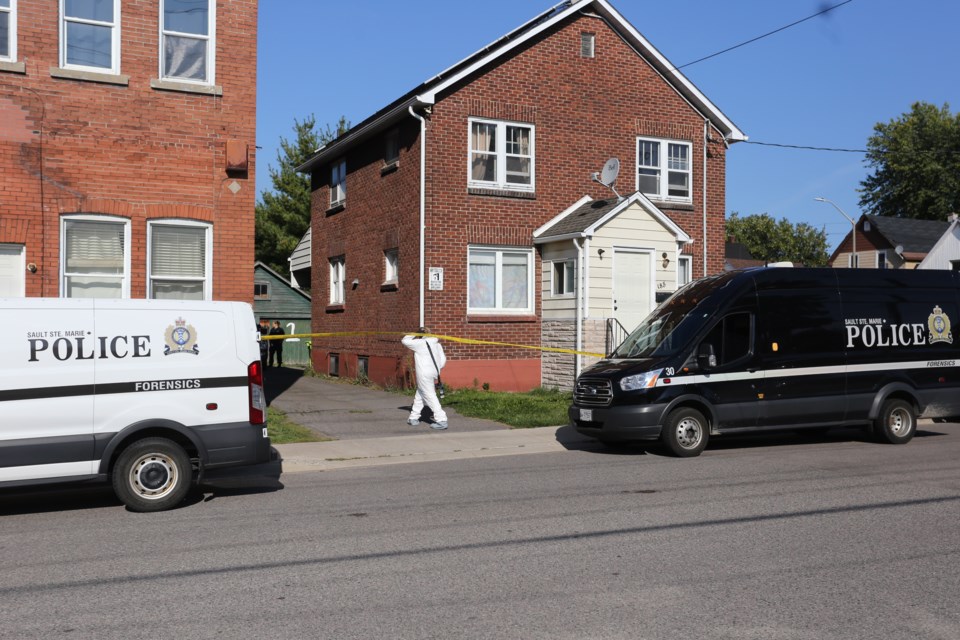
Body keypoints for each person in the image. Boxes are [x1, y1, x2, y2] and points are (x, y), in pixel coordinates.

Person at [401, 327, 448, 430]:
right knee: (421, 393)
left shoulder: (419, 343)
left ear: (420, 335)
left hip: (424, 374)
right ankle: (414, 417)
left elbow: (404, 340)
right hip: (434, 372)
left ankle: (442, 420)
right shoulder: (437, 344)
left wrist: (414, 332)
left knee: (429, 395)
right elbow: (443, 361)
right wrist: (434, 369)